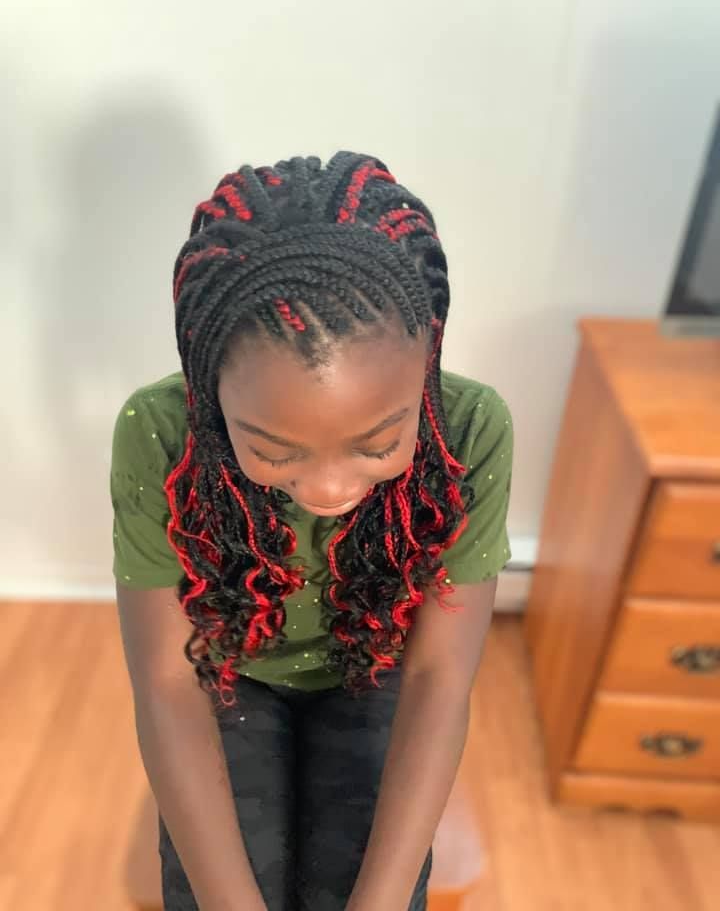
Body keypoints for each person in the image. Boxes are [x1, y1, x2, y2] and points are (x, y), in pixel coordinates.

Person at [111, 151, 513, 911]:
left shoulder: (470, 427)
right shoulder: (158, 429)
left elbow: (439, 676)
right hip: (226, 675)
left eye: (377, 444)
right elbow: (165, 681)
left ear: (426, 366)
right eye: (273, 451)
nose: (329, 489)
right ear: (208, 391)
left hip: (376, 670)